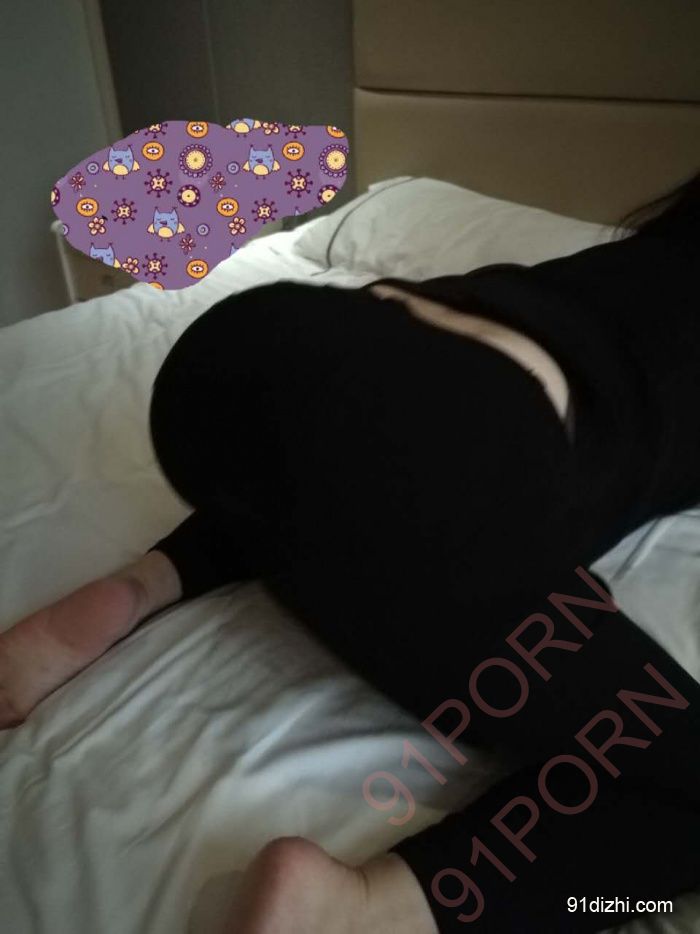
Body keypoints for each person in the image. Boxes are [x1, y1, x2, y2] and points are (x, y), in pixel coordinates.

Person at [1, 170, 699, 934]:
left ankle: (143, 584)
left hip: (264, 344)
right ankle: (367, 910)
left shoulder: (636, 257)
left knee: (329, 478)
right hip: (458, 440)